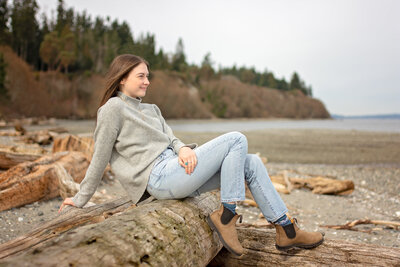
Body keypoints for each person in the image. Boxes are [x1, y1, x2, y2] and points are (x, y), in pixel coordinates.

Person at [59, 54, 324, 256]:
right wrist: (80, 199)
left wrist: (183, 148)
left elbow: (172, 138)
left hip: (175, 168)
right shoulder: (112, 109)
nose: (147, 81)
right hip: (157, 178)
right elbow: (99, 157)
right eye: (141, 76)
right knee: (236, 139)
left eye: (147, 76)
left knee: (251, 162)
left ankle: (286, 229)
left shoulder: (152, 110)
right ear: (122, 78)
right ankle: (227, 215)